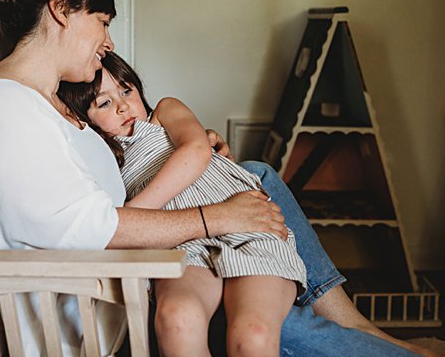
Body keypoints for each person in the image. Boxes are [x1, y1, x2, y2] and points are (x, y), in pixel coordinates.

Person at [0, 0, 422, 356]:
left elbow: (110, 181)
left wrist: (204, 165)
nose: (109, 42)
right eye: (102, 21)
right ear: (61, 10)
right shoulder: (3, 105)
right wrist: (216, 216)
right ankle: (366, 332)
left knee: (252, 180)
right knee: (263, 326)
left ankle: (352, 321)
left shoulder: (48, 100)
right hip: (115, 294)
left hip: (144, 269)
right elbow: (91, 226)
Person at [58, 51, 305, 355]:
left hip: (246, 221)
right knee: (177, 319)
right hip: (180, 244)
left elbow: (197, 150)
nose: (123, 105)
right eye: (105, 103)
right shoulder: (101, 156)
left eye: (126, 90)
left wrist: (129, 217)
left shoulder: (164, 112)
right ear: (86, 119)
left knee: (252, 334)